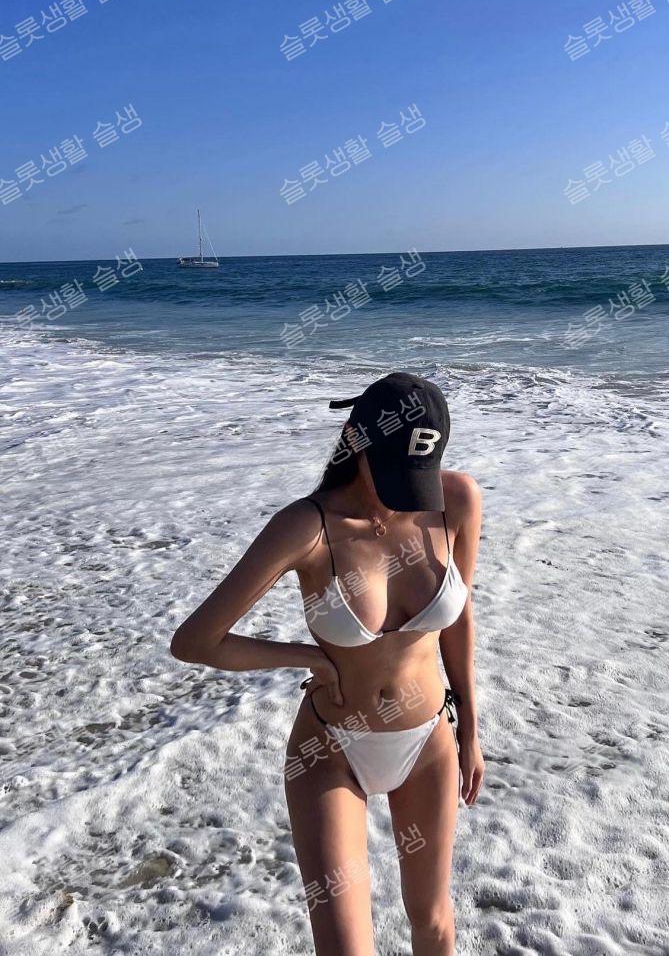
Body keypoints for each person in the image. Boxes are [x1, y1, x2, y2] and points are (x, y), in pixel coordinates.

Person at [170, 371, 484, 956]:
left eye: (416, 474)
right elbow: (196, 641)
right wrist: (309, 657)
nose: (405, 492)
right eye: (393, 472)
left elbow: (459, 615)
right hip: (333, 750)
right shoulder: (307, 526)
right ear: (357, 443)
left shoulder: (456, 501)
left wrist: (470, 728)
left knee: (433, 922)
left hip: (427, 743)